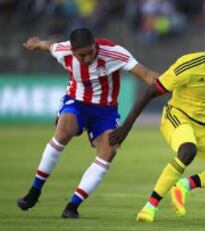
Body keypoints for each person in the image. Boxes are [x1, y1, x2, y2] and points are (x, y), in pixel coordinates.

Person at [109, 26, 205, 223]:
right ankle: (149, 207)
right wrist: (126, 127)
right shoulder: (189, 65)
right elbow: (151, 92)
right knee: (188, 151)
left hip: (204, 127)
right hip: (177, 118)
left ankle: (184, 186)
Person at [17, 28, 159, 218]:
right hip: (76, 103)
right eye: (82, 55)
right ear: (73, 51)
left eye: (91, 52)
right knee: (63, 133)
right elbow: (49, 46)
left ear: (95, 45)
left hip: (105, 111)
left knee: (109, 151)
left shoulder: (114, 53)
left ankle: (72, 206)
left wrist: (175, 82)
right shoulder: (63, 50)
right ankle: (34, 193)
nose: (88, 58)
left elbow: (148, 76)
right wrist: (38, 43)